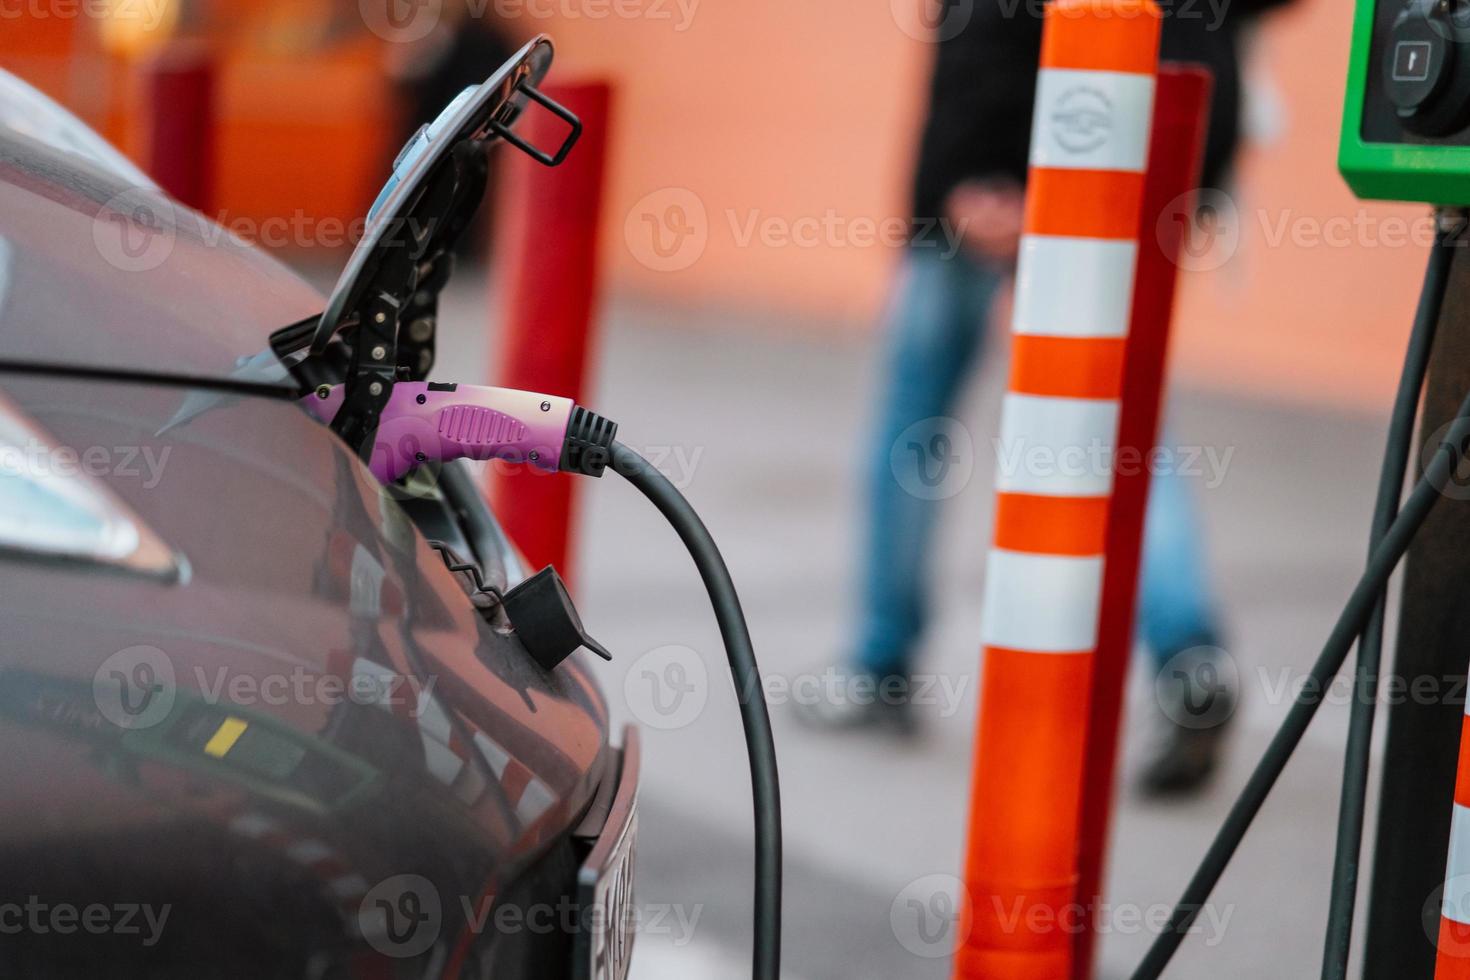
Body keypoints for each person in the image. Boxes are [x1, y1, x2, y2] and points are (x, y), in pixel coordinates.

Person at [798, 0, 1293, 796]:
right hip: (1140, 156)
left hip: (1005, 179)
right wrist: (1196, 168)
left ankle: (879, 666)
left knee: (913, 428)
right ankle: (1187, 654)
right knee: (1122, 425)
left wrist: (973, 173)